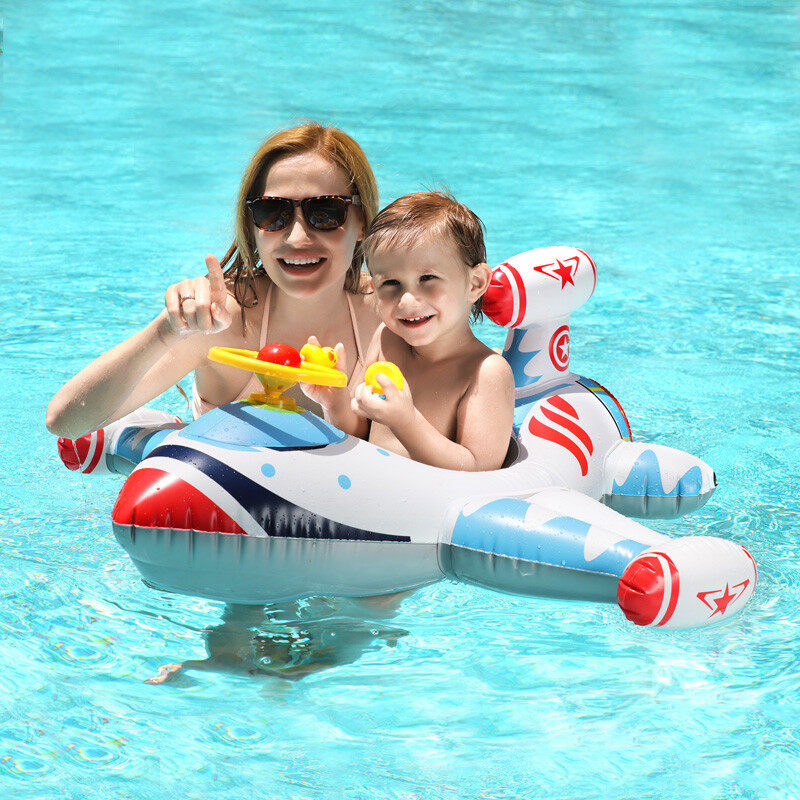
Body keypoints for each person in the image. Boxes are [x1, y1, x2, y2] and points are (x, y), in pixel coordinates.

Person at [46, 123, 381, 451]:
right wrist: (167, 330)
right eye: (271, 212)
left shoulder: (389, 315)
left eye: (325, 212)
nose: (296, 237)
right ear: (252, 227)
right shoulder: (224, 320)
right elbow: (64, 421)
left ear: (362, 221)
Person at [302, 191, 515, 471]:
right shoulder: (387, 340)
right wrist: (335, 402)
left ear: (475, 284)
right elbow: (359, 435)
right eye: (390, 283)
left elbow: (479, 470)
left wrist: (406, 421)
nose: (407, 301)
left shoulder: (485, 373)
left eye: (427, 278)